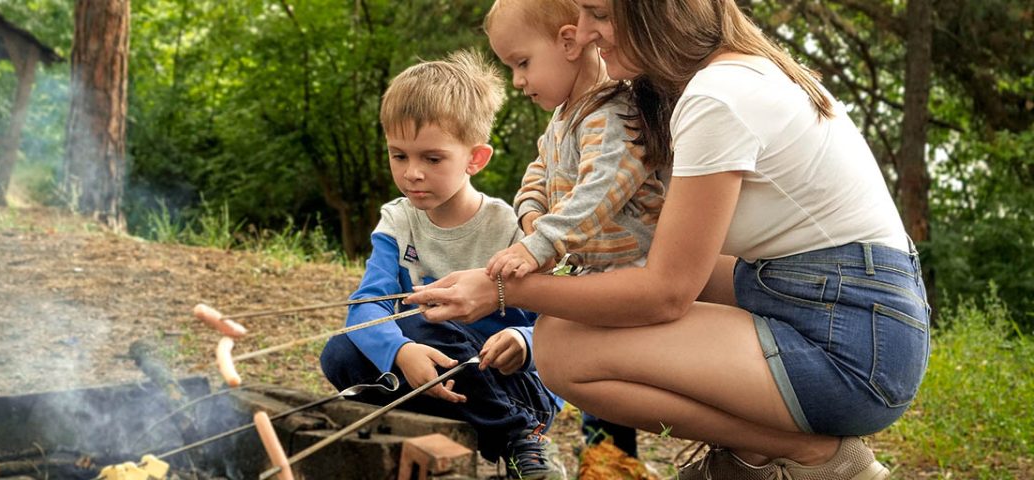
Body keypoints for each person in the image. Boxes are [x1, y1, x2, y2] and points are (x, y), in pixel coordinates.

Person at [406, 1, 930, 479]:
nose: (586, 33)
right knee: (593, 308)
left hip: (855, 352)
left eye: (600, 15)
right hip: (850, 312)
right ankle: (764, 456)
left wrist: (505, 291)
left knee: (561, 346)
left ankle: (798, 454)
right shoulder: (723, 79)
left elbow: (666, 292)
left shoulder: (717, 97)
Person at [318, 50, 565, 480]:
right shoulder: (398, 221)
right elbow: (367, 306)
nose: (412, 173)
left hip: (513, 384)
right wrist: (400, 350)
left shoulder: (511, 227)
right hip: (436, 370)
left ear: (475, 159)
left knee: (421, 321)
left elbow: (555, 318)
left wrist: (524, 341)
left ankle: (521, 435)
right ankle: (431, 430)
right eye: (399, 156)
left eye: (432, 159)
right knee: (341, 351)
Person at [483, 0, 672, 468]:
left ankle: (610, 463)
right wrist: (531, 219)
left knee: (599, 371)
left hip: (640, 275)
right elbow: (537, 174)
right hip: (598, 272)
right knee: (591, 378)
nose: (517, 81)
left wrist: (542, 243)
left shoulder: (612, 113)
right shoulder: (563, 118)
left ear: (569, 42)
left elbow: (601, 191)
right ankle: (608, 463)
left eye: (522, 63)